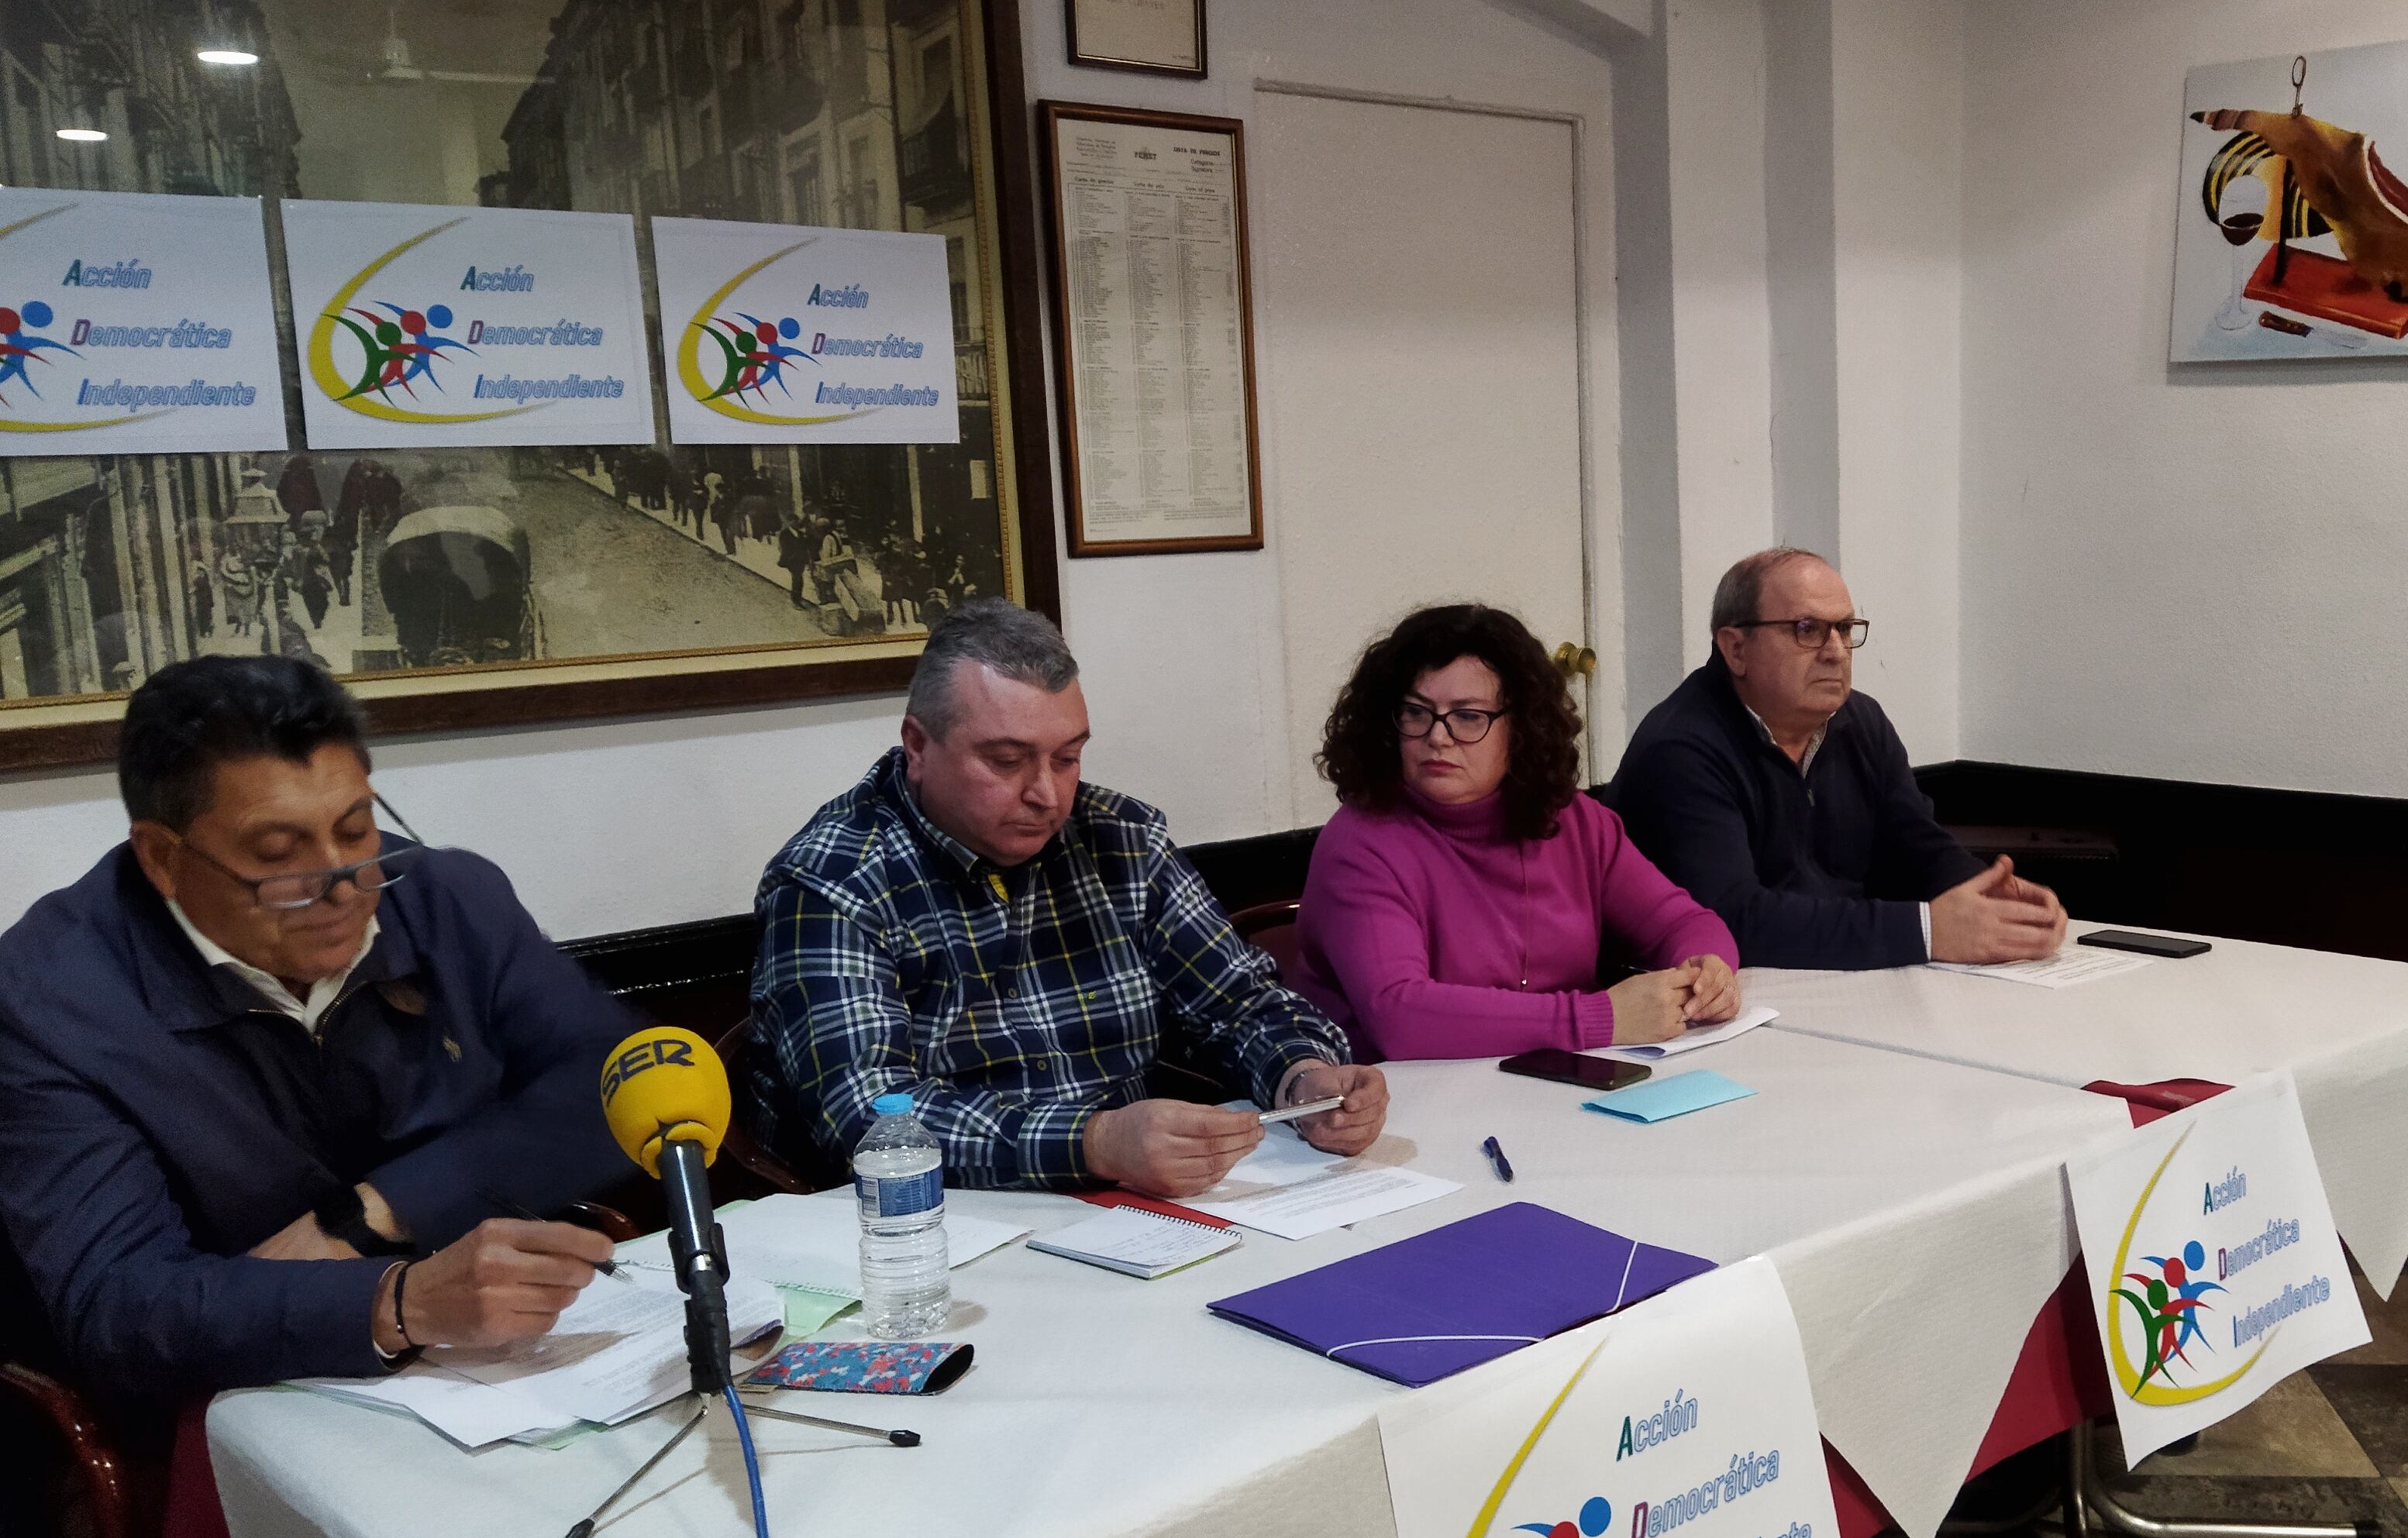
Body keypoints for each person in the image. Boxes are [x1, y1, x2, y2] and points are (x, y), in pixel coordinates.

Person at [0, 656, 636, 1407]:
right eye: (277, 856)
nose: (342, 885)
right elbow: (122, 1305)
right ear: (164, 858)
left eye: (355, 827)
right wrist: (396, 1301)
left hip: (493, 1363)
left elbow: (612, 1081)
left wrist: (371, 1215)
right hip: (232, 1401)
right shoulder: (49, 1001)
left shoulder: (443, 897)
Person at [749, 600, 1388, 1200]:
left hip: (1134, 1209)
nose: (1048, 795)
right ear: (918, 746)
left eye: (1068, 758)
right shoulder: (833, 881)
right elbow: (866, 1117)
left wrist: (1304, 1078)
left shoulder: (1119, 838)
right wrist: (1095, 1142)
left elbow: (1238, 1005)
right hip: (937, 1231)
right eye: (1006, 761)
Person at [1294, 604, 1740, 1061]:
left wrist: (1707, 972)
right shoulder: (1361, 843)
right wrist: (1600, 1017)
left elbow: (1686, 922)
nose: (1437, 737)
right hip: (1395, 1105)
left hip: (1545, 1085)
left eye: (1468, 716)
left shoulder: (1574, 822)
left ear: (1522, 728)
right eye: (1415, 712)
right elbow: (1400, 1016)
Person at [1612, 547, 2069, 969]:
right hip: (1721, 1002)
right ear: (1736, 649)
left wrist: (1995, 899)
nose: (1835, 652)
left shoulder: (1860, 720)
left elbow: (1915, 849)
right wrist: (1927, 931)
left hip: (1837, 984)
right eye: (1806, 630)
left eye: (1845, 629)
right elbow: (1731, 917)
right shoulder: (1682, 747)